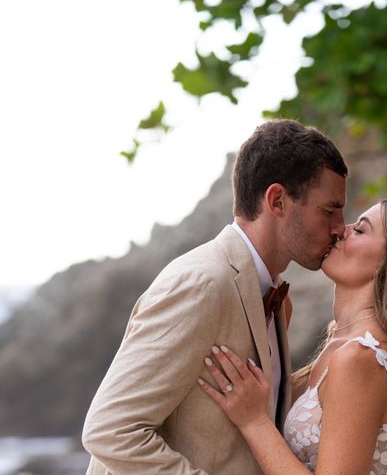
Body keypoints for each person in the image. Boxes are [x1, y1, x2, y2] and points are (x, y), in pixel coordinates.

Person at [82, 119, 349, 474]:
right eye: (329, 211)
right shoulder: (202, 282)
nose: (340, 227)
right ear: (277, 200)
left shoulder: (277, 299)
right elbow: (110, 431)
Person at [198, 199, 387, 474]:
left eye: (361, 229)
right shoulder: (352, 351)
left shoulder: (361, 360)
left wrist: (254, 422)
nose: (342, 230)